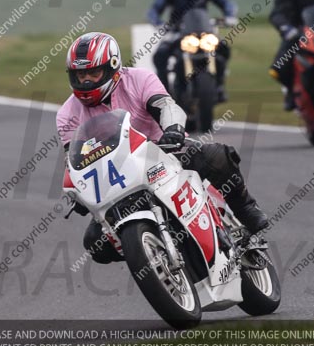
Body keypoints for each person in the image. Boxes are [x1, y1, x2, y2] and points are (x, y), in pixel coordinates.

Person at [56, 32, 268, 264]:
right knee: (96, 245)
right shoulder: (66, 114)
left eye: (93, 73)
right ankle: (150, 251)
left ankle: (245, 208)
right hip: (118, 181)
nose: (86, 81)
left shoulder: (139, 78)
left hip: (166, 152)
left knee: (217, 156)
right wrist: (80, 193)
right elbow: (74, 159)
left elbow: (166, 105)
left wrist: (174, 130)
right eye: (80, 75)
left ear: (112, 67)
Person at [147, 0, 238, 102]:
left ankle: (219, 85)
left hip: (204, 30)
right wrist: (158, 22)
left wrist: (230, 16)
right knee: (160, 55)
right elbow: (154, 10)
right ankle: (164, 96)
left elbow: (226, 3)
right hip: (178, 31)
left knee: (223, 49)